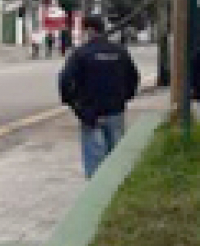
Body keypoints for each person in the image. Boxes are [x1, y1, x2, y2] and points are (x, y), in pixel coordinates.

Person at [59, 15, 140, 178]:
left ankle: (96, 190)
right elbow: (133, 77)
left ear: (89, 30)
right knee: (116, 156)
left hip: (90, 112)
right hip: (115, 110)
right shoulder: (120, 52)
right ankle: (114, 190)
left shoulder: (80, 54)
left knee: (94, 160)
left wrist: (75, 105)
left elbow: (65, 81)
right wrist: (124, 98)